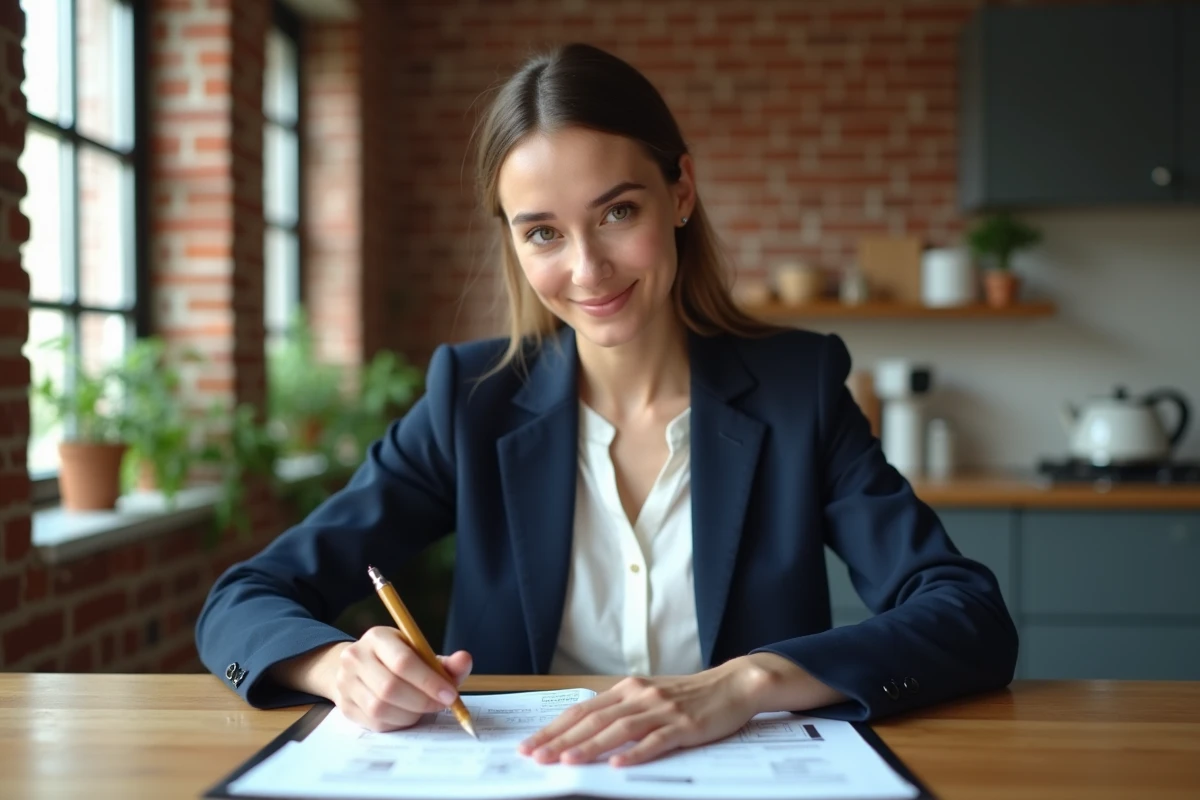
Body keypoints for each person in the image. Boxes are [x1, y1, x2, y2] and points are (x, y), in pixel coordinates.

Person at [195, 42, 1018, 769]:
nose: (587, 269)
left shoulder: (796, 388)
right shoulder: (471, 403)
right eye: (543, 232)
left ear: (681, 192)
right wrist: (339, 668)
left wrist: (749, 681)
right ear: (515, 243)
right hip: (520, 782)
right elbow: (243, 600)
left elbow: (967, 614)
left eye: (618, 212)